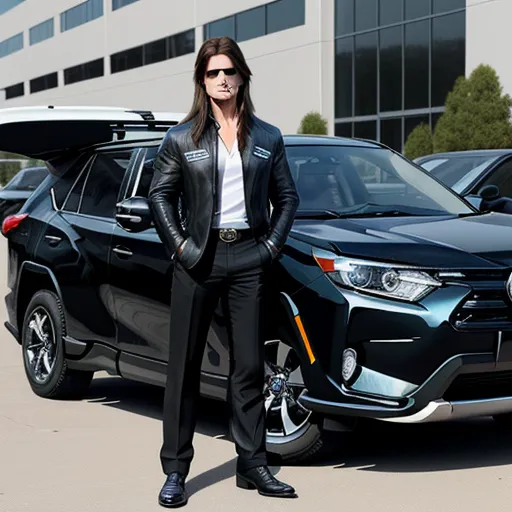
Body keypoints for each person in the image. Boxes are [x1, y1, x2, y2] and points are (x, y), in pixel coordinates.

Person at [148, 36, 300, 508]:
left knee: (249, 368)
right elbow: (159, 196)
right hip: (199, 261)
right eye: (212, 72)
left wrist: (270, 247)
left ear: (242, 76)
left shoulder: (268, 137)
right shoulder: (181, 138)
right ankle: (175, 469)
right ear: (202, 79)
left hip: (250, 260)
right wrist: (181, 247)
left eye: (228, 71)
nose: (221, 80)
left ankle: (253, 464)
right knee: (184, 369)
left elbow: (288, 198)